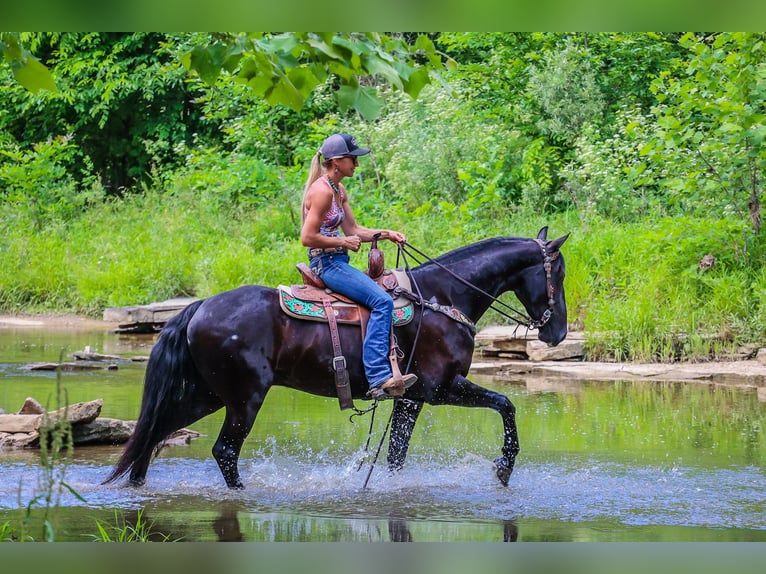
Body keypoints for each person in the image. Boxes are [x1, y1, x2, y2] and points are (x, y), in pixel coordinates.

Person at [300, 133, 417, 400]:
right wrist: (341, 241)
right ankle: (378, 376)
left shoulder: (338, 190)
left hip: (338, 260)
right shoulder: (320, 192)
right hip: (326, 264)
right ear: (337, 162)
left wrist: (386, 233)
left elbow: (353, 229)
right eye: (353, 159)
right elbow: (307, 237)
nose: (357, 164)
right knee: (382, 302)